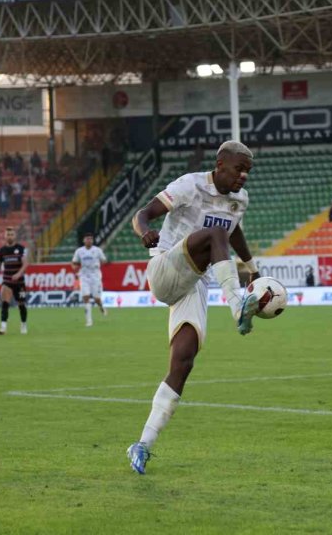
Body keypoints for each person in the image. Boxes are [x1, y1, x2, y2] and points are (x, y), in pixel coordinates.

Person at [125, 141, 266, 475]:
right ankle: (237, 307)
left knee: (183, 361)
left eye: (248, 171)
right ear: (220, 164)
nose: (243, 176)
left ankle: (142, 444)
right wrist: (145, 232)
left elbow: (233, 231)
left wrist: (252, 268)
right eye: (238, 169)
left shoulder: (240, 199)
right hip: (164, 267)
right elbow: (142, 214)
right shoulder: (189, 185)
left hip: (193, 282)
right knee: (213, 234)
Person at [0, 226, 29, 335]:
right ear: (5, 236)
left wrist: (18, 274)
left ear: (15, 236)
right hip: (7, 281)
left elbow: (25, 264)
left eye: (12, 234)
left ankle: (23, 324)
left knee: (21, 305)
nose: (10, 236)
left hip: (20, 283)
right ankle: (3, 327)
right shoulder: (2, 250)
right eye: (8, 234)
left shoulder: (20, 248)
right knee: (5, 303)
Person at [71, 233, 108, 327]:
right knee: (86, 297)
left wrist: (101, 262)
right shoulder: (79, 251)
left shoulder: (97, 250)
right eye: (87, 239)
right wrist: (74, 267)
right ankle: (89, 321)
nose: (89, 240)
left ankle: (101, 307)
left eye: (91, 239)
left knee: (96, 298)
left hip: (95, 276)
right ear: (84, 240)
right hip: (84, 277)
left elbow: (104, 260)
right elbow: (74, 262)